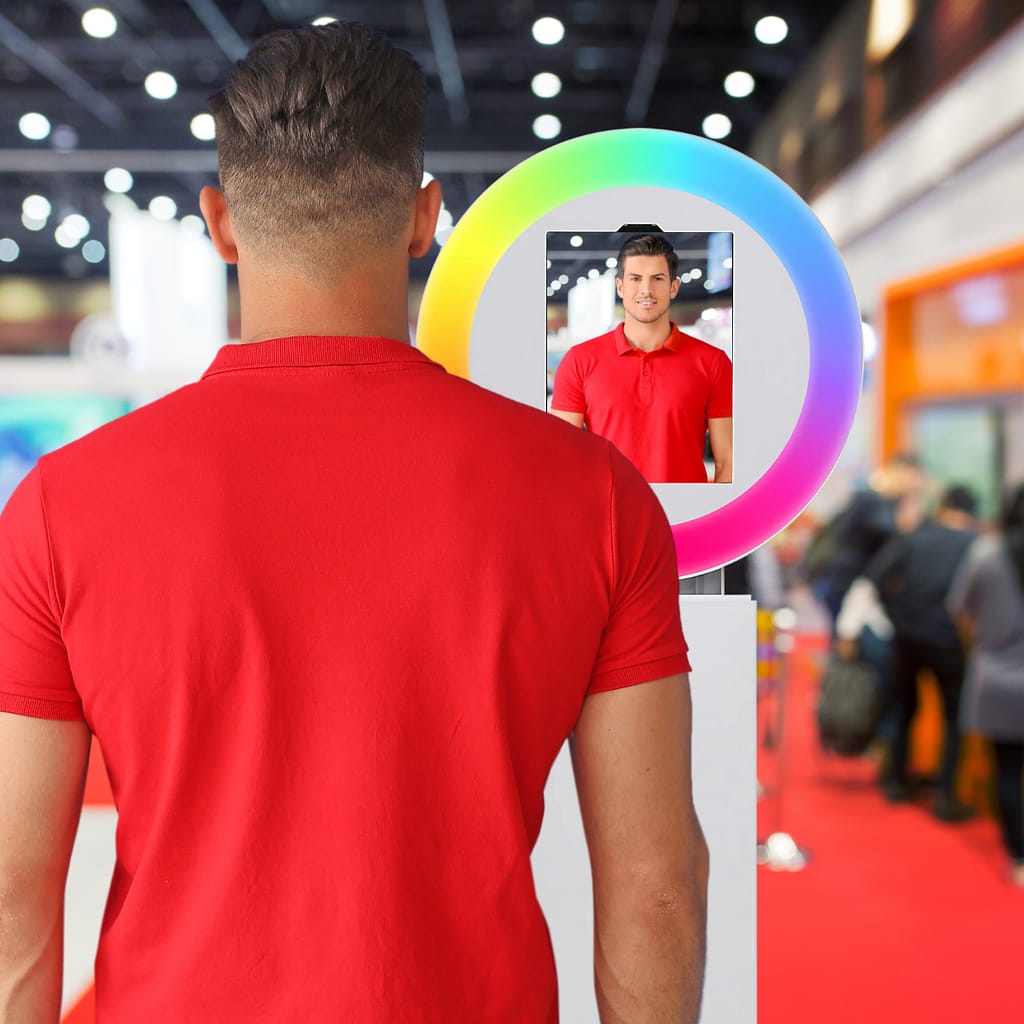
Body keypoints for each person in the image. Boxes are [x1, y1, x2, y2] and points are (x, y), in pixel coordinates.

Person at [0, 22, 709, 1024]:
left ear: (221, 223)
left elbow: (9, 892)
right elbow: (657, 884)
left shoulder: (59, 504)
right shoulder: (594, 492)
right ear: (426, 219)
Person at [550, 233, 733, 483]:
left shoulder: (713, 363)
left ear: (673, 287)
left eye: (657, 278)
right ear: (620, 286)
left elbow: (728, 460)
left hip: (686, 516)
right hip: (610, 514)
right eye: (635, 279)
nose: (646, 289)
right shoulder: (579, 360)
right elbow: (561, 458)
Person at [862, 484, 978, 818]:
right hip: (949, 640)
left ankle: (898, 782)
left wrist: (897, 613)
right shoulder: (975, 545)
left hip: (907, 636)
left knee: (904, 709)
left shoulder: (916, 537)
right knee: (954, 717)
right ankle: (946, 795)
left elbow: (876, 576)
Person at [947, 483, 1024, 886]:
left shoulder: (987, 555)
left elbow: (959, 608)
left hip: (998, 678)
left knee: (1008, 769)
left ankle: (1019, 857)